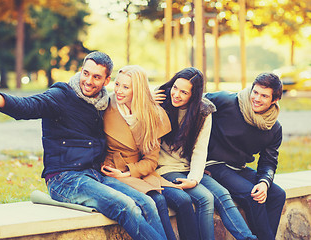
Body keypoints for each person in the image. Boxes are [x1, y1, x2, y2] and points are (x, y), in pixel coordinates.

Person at [0, 51, 168, 240]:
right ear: (81, 70)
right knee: (125, 205)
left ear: (106, 80)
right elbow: (29, 106)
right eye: (86, 73)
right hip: (64, 178)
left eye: (96, 77)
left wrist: (147, 95)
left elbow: (129, 95)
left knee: (147, 203)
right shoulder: (61, 96)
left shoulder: (102, 102)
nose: (89, 81)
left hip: (94, 175)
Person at [154, 67, 257, 240]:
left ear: (193, 96)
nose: (176, 94)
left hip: (189, 168)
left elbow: (200, 150)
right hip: (164, 168)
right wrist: (148, 99)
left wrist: (194, 179)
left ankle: (248, 238)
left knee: (222, 194)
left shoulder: (202, 112)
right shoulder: (160, 101)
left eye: (184, 92)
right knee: (205, 198)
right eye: (175, 87)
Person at [100, 65, 196, 240]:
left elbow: (151, 161)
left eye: (126, 87)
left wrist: (129, 172)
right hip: (113, 171)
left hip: (140, 171)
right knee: (157, 201)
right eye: (117, 84)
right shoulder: (105, 107)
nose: (119, 91)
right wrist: (120, 174)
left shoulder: (151, 114)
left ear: (138, 90)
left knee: (183, 200)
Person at [204, 72, 286, 240]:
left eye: (264, 96)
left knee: (277, 194)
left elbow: (268, 162)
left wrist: (264, 182)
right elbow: (193, 98)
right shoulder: (227, 101)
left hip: (238, 167)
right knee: (252, 195)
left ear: (275, 100)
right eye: (255, 92)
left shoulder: (274, 128)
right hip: (213, 164)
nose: (256, 98)